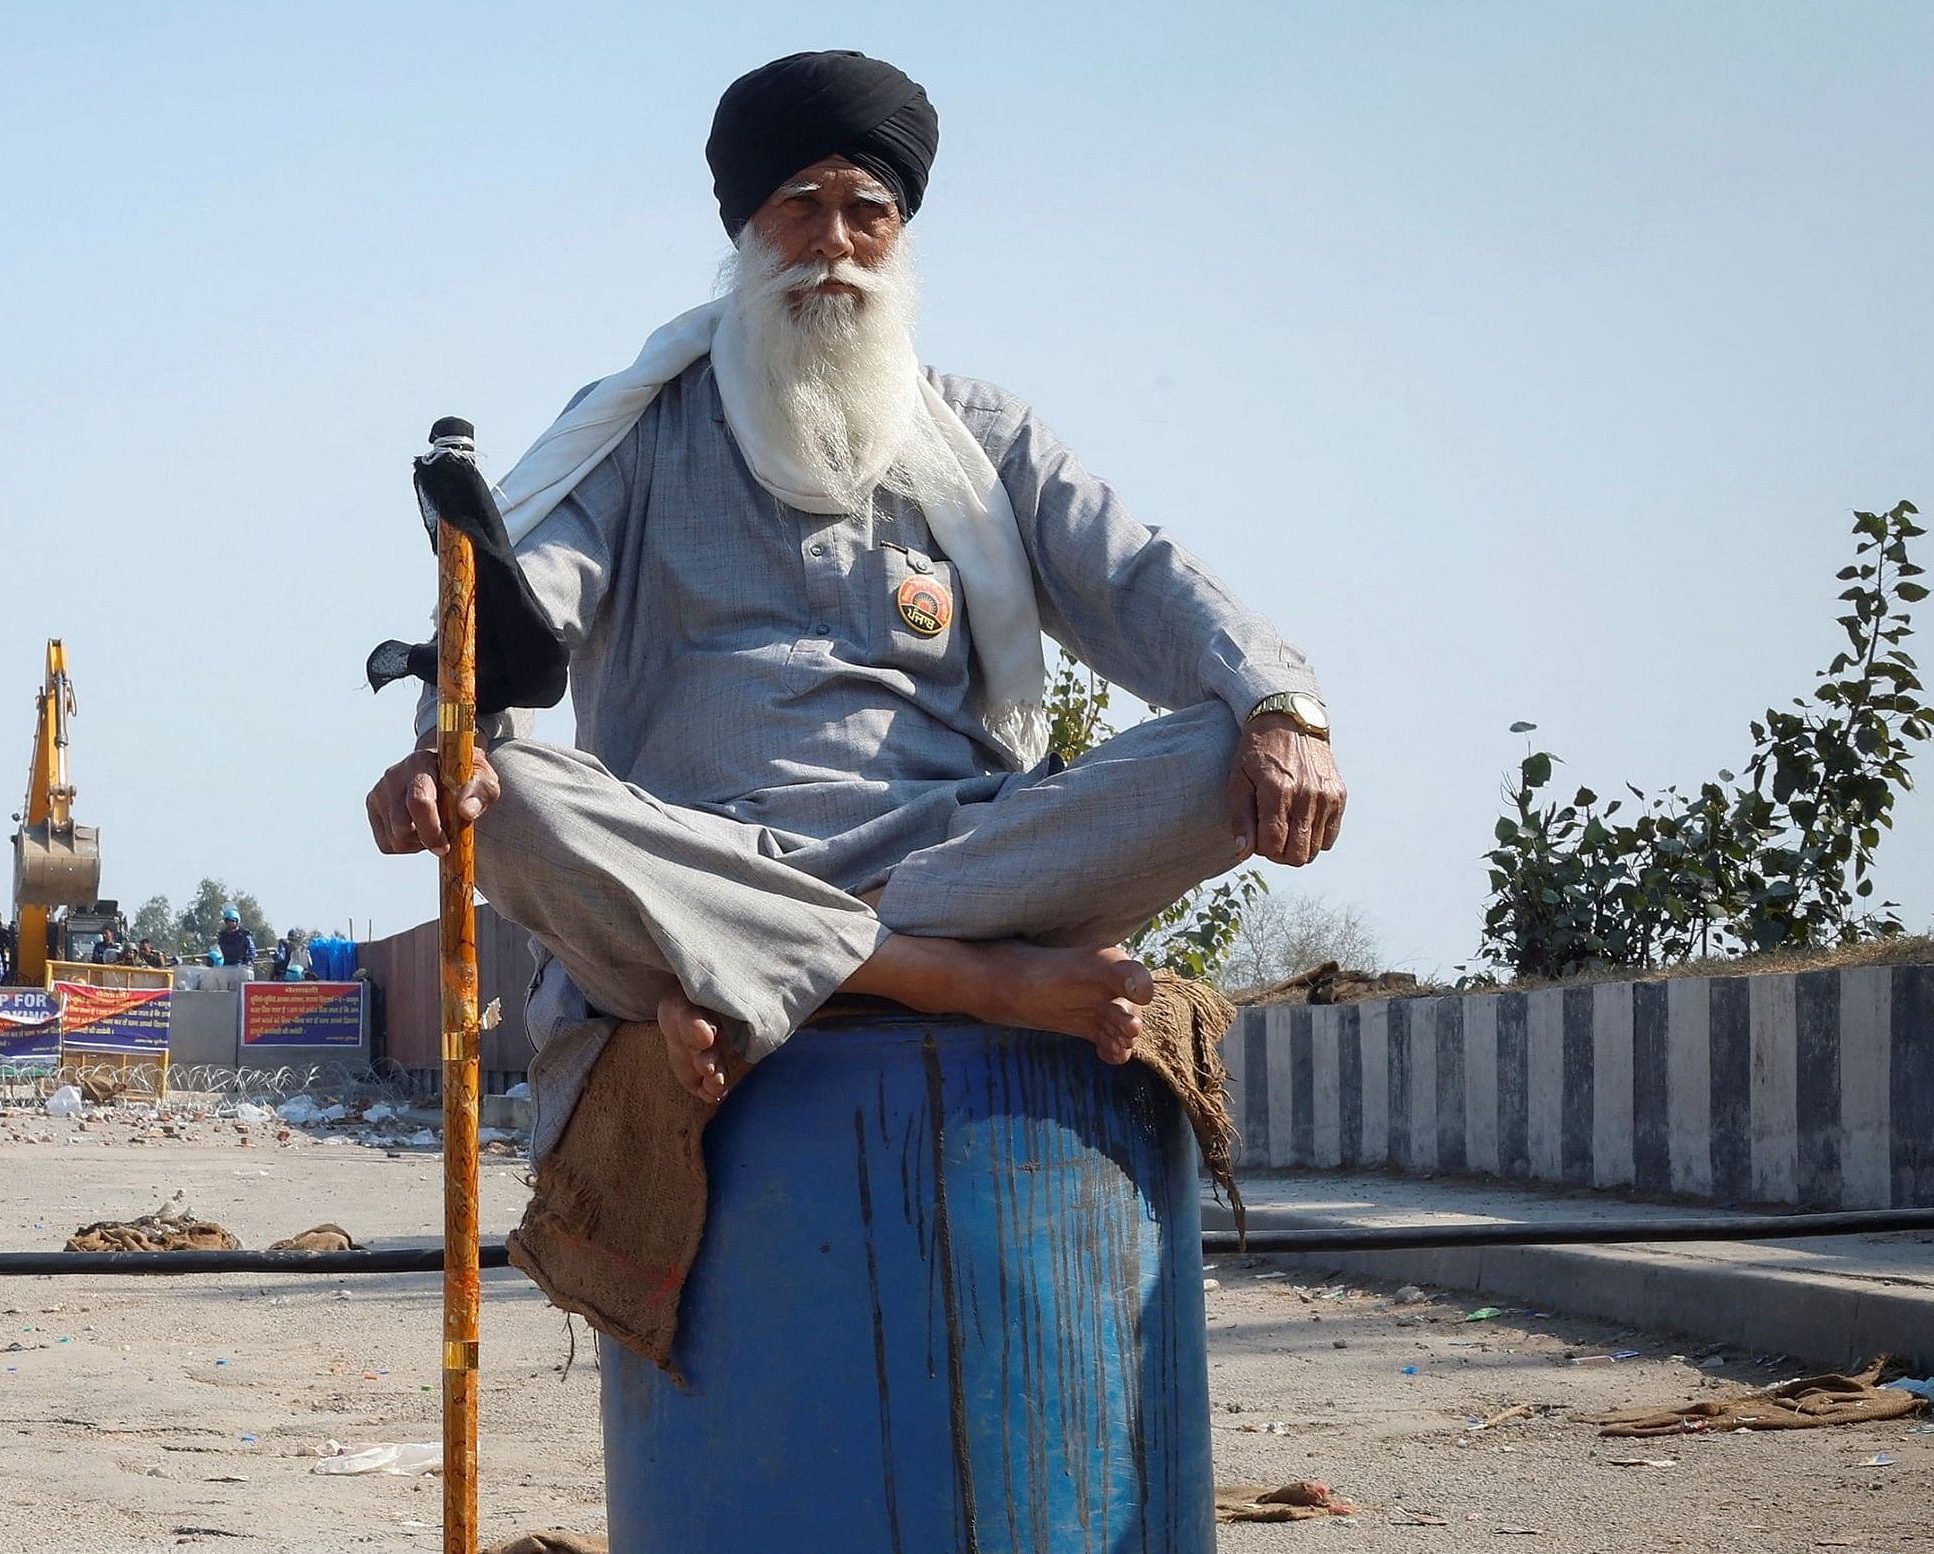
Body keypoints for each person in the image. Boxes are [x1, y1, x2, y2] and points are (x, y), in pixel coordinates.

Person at [366, 49, 1342, 1171]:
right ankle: (942, 978)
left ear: (900, 235)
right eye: (799, 207)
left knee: (1227, 747)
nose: (831, 242)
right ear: (744, 233)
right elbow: (524, 608)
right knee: (515, 800)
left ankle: (765, 977)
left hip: (948, 853)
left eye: (863, 212)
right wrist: (450, 746)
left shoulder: (983, 434)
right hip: (697, 847)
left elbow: (1136, 579)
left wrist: (1277, 703)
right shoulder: (640, 428)